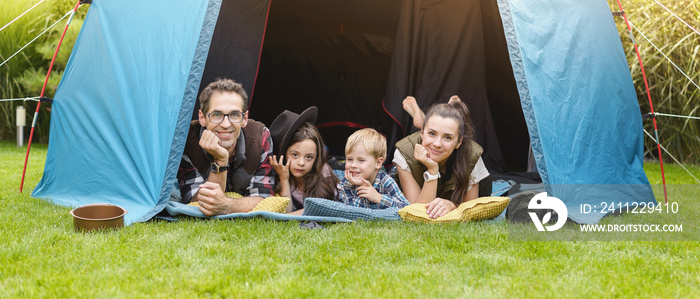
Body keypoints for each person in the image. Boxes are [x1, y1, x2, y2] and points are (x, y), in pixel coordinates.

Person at [177, 78, 275, 216]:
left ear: (244, 119)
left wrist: (227, 206)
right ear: (202, 118)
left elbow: (264, 198)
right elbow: (196, 201)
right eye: (217, 115)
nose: (225, 124)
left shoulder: (260, 137)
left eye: (234, 115)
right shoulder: (188, 140)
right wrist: (220, 160)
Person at [394, 97, 490, 218]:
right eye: (432, 133)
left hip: (473, 186)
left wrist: (452, 205)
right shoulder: (404, 152)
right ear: (422, 133)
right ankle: (438, 117)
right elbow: (417, 213)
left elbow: (470, 209)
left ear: (459, 142)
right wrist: (433, 171)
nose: (437, 144)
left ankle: (444, 114)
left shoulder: (471, 154)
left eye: (448, 137)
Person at [268, 107, 339, 214]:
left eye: (309, 157)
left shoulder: (323, 174)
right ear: (284, 155)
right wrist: (284, 179)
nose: (301, 163)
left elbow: (318, 210)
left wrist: (289, 217)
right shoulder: (278, 174)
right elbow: (287, 210)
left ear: (316, 158)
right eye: (295, 155)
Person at [337, 128, 409, 208]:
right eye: (350, 159)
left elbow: (405, 207)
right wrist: (360, 186)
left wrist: (379, 198)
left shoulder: (387, 182)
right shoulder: (346, 182)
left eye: (361, 160)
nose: (353, 165)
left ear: (378, 163)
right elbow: (350, 210)